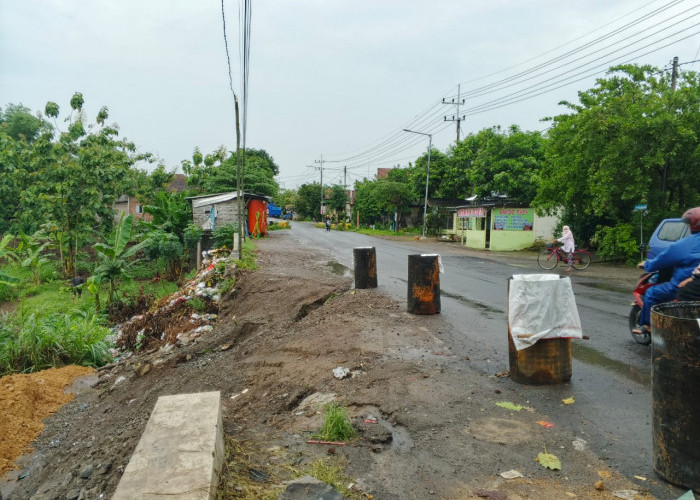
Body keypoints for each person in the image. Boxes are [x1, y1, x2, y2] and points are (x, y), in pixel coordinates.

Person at [633, 207, 700, 335]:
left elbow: (662, 259)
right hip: (693, 283)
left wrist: (647, 264)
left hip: (682, 286)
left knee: (652, 292)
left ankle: (648, 326)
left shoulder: (684, 245)